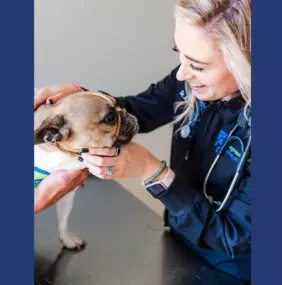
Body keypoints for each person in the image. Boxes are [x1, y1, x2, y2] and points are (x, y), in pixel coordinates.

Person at [34, 0, 251, 283]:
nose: (182, 74)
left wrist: (153, 172)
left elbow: (235, 237)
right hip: (176, 244)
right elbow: (141, 110)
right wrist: (77, 104)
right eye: (179, 54)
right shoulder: (190, 81)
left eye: (197, 65)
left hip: (232, 270)